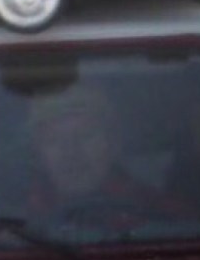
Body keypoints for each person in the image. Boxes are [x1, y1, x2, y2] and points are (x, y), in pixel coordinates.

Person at [25, 85, 186, 234]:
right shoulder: (19, 222)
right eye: (53, 140)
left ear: (113, 144)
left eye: (85, 136)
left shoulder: (162, 213)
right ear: (39, 154)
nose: (70, 152)